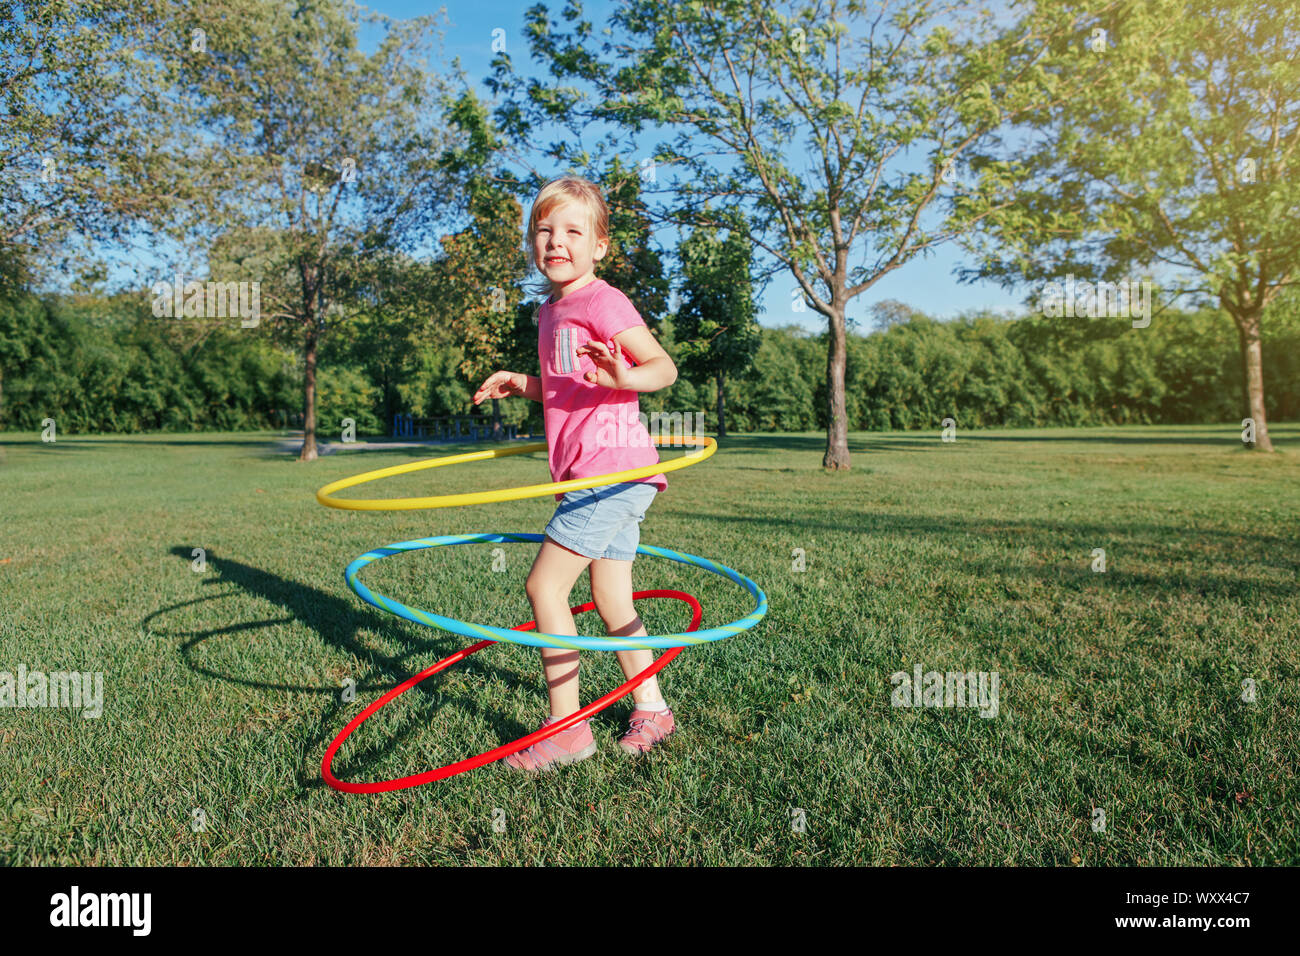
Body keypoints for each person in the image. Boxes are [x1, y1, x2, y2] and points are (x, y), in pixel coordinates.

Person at [472, 174, 678, 773]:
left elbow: (662, 369)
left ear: (599, 246)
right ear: (532, 243)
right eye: (544, 230)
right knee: (612, 595)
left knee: (544, 588)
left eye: (571, 231)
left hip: (607, 472)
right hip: (608, 474)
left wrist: (624, 378)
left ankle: (567, 731)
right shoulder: (549, 312)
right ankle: (652, 711)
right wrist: (524, 384)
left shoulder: (603, 302)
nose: (556, 242)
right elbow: (569, 388)